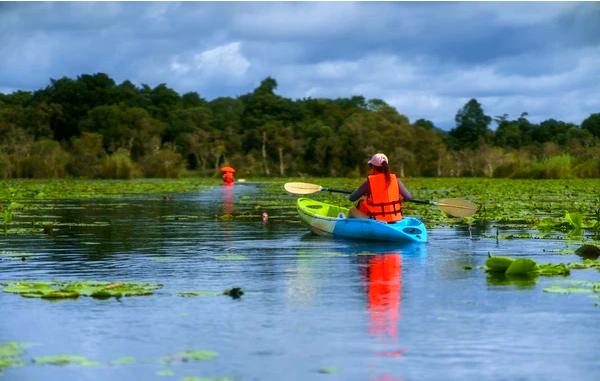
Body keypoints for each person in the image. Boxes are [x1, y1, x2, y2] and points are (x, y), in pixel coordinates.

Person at [347, 153, 412, 222]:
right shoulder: (395, 180)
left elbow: (352, 198)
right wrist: (399, 199)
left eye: (370, 166)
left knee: (352, 211)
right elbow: (408, 197)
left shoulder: (369, 182)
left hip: (376, 220)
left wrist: (360, 191)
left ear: (374, 167)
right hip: (395, 218)